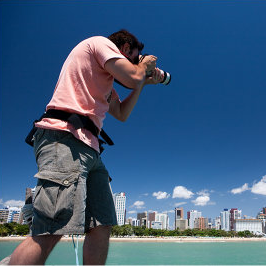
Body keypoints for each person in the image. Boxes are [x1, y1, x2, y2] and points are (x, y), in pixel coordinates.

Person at [9, 29, 163, 265]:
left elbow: (121, 113)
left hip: (90, 149)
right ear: (124, 49)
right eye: (134, 56)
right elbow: (132, 75)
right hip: (64, 138)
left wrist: (141, 84)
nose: (134, 61)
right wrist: (145, 65)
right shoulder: (99, 43)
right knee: (52, 227)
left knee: (101, 224)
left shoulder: (105, 83)